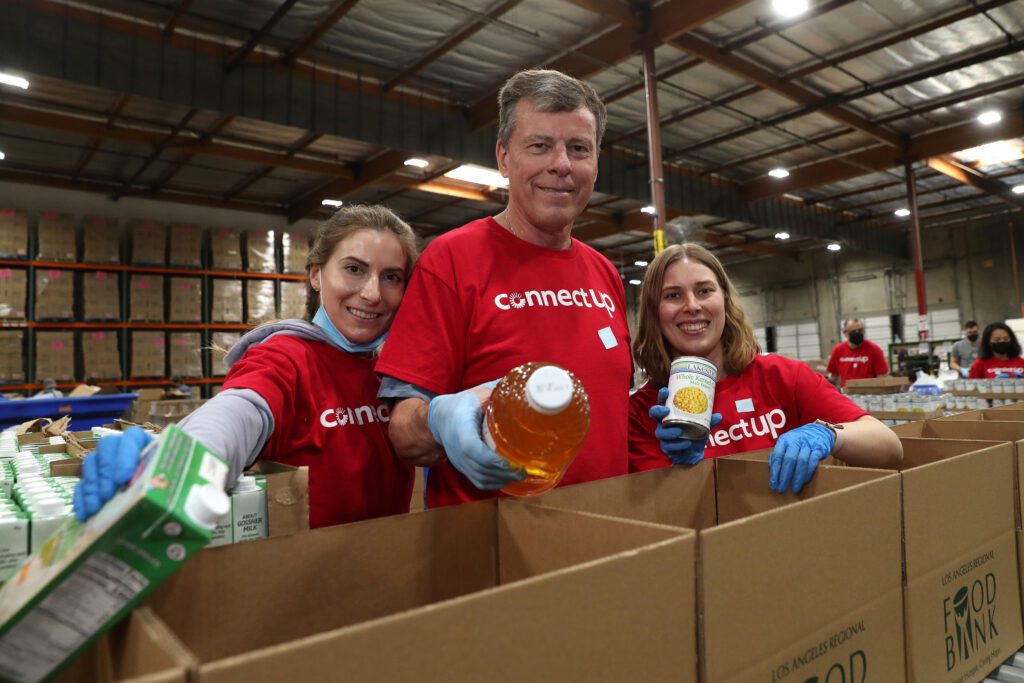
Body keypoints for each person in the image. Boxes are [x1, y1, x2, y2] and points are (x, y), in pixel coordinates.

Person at [73, 204, 419, 529]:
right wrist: (176, 464)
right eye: (354, 269)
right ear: (316, 274)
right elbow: (239, 412)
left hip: (388, 570)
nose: (372, 293)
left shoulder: (397, 373)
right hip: (307, 580)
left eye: (391, 277)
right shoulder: (285, 355)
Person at [376, 69, 632, 508]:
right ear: (503, 157)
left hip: (606, 536)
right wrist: (437, 423)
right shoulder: (451, 261)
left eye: (578, 148)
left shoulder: (604, 272)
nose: (562, 164)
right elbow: (402, 430)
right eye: (539, 145)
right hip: (494, 547)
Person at [629, 244, 902, 493]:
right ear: (655, 312)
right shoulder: (643, 412)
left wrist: (829, 435)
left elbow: (889, 448)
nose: (692, 306)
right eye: (673, 295)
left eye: (704, 290)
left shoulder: (782, 376)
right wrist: (682, 471)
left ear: (724, 299)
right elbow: (658, 511)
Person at [826, 318, 889, 388]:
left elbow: (882, 377)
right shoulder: (838, 350)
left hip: (869, 393)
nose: (857, 333)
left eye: (860, 330)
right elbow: (833, 376)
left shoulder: (874, 350)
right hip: (847, 393)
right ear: (845, 333)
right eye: (853, 331)